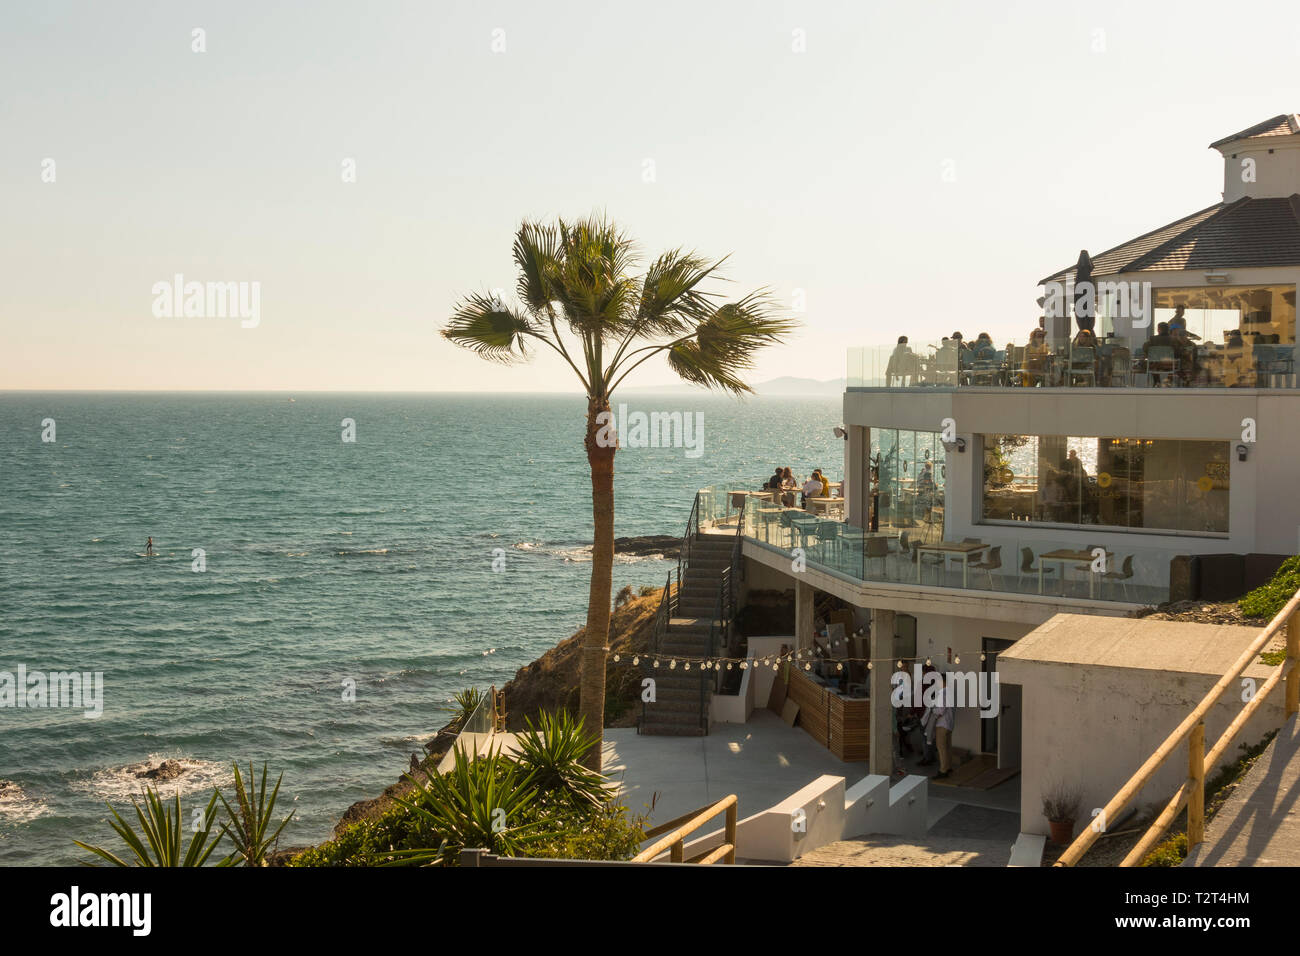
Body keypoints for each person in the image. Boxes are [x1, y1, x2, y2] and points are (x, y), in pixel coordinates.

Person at [933, 699, 955, 779]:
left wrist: (932, 709)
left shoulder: (942, 694)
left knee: (941, 748)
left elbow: (941, 711)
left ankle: (943, 771)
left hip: (942, 724)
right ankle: (948, 767)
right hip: (949, 724)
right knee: (948, 747)